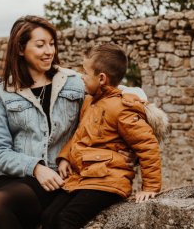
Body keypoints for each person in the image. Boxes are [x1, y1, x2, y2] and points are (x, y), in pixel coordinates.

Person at [0, 15, 86, 229]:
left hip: (60, 176)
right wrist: (35, 168)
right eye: (40, 45)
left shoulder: (74, 82)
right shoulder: (2, 93)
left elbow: (112, 96)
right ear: (21, 49)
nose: (49, 51)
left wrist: (138, 97)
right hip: (20, 174)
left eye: (51, 44)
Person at [41, 43, 167, 229]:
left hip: (107, 180)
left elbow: (147, 145)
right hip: (83, 177)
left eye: (85, 73)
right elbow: (79, 136)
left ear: (101, 78)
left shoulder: (121, 108)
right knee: (47, 217)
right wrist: (65, 157)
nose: (82, 78)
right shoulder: (90, 102)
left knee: (66, 220)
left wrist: (150, 187)